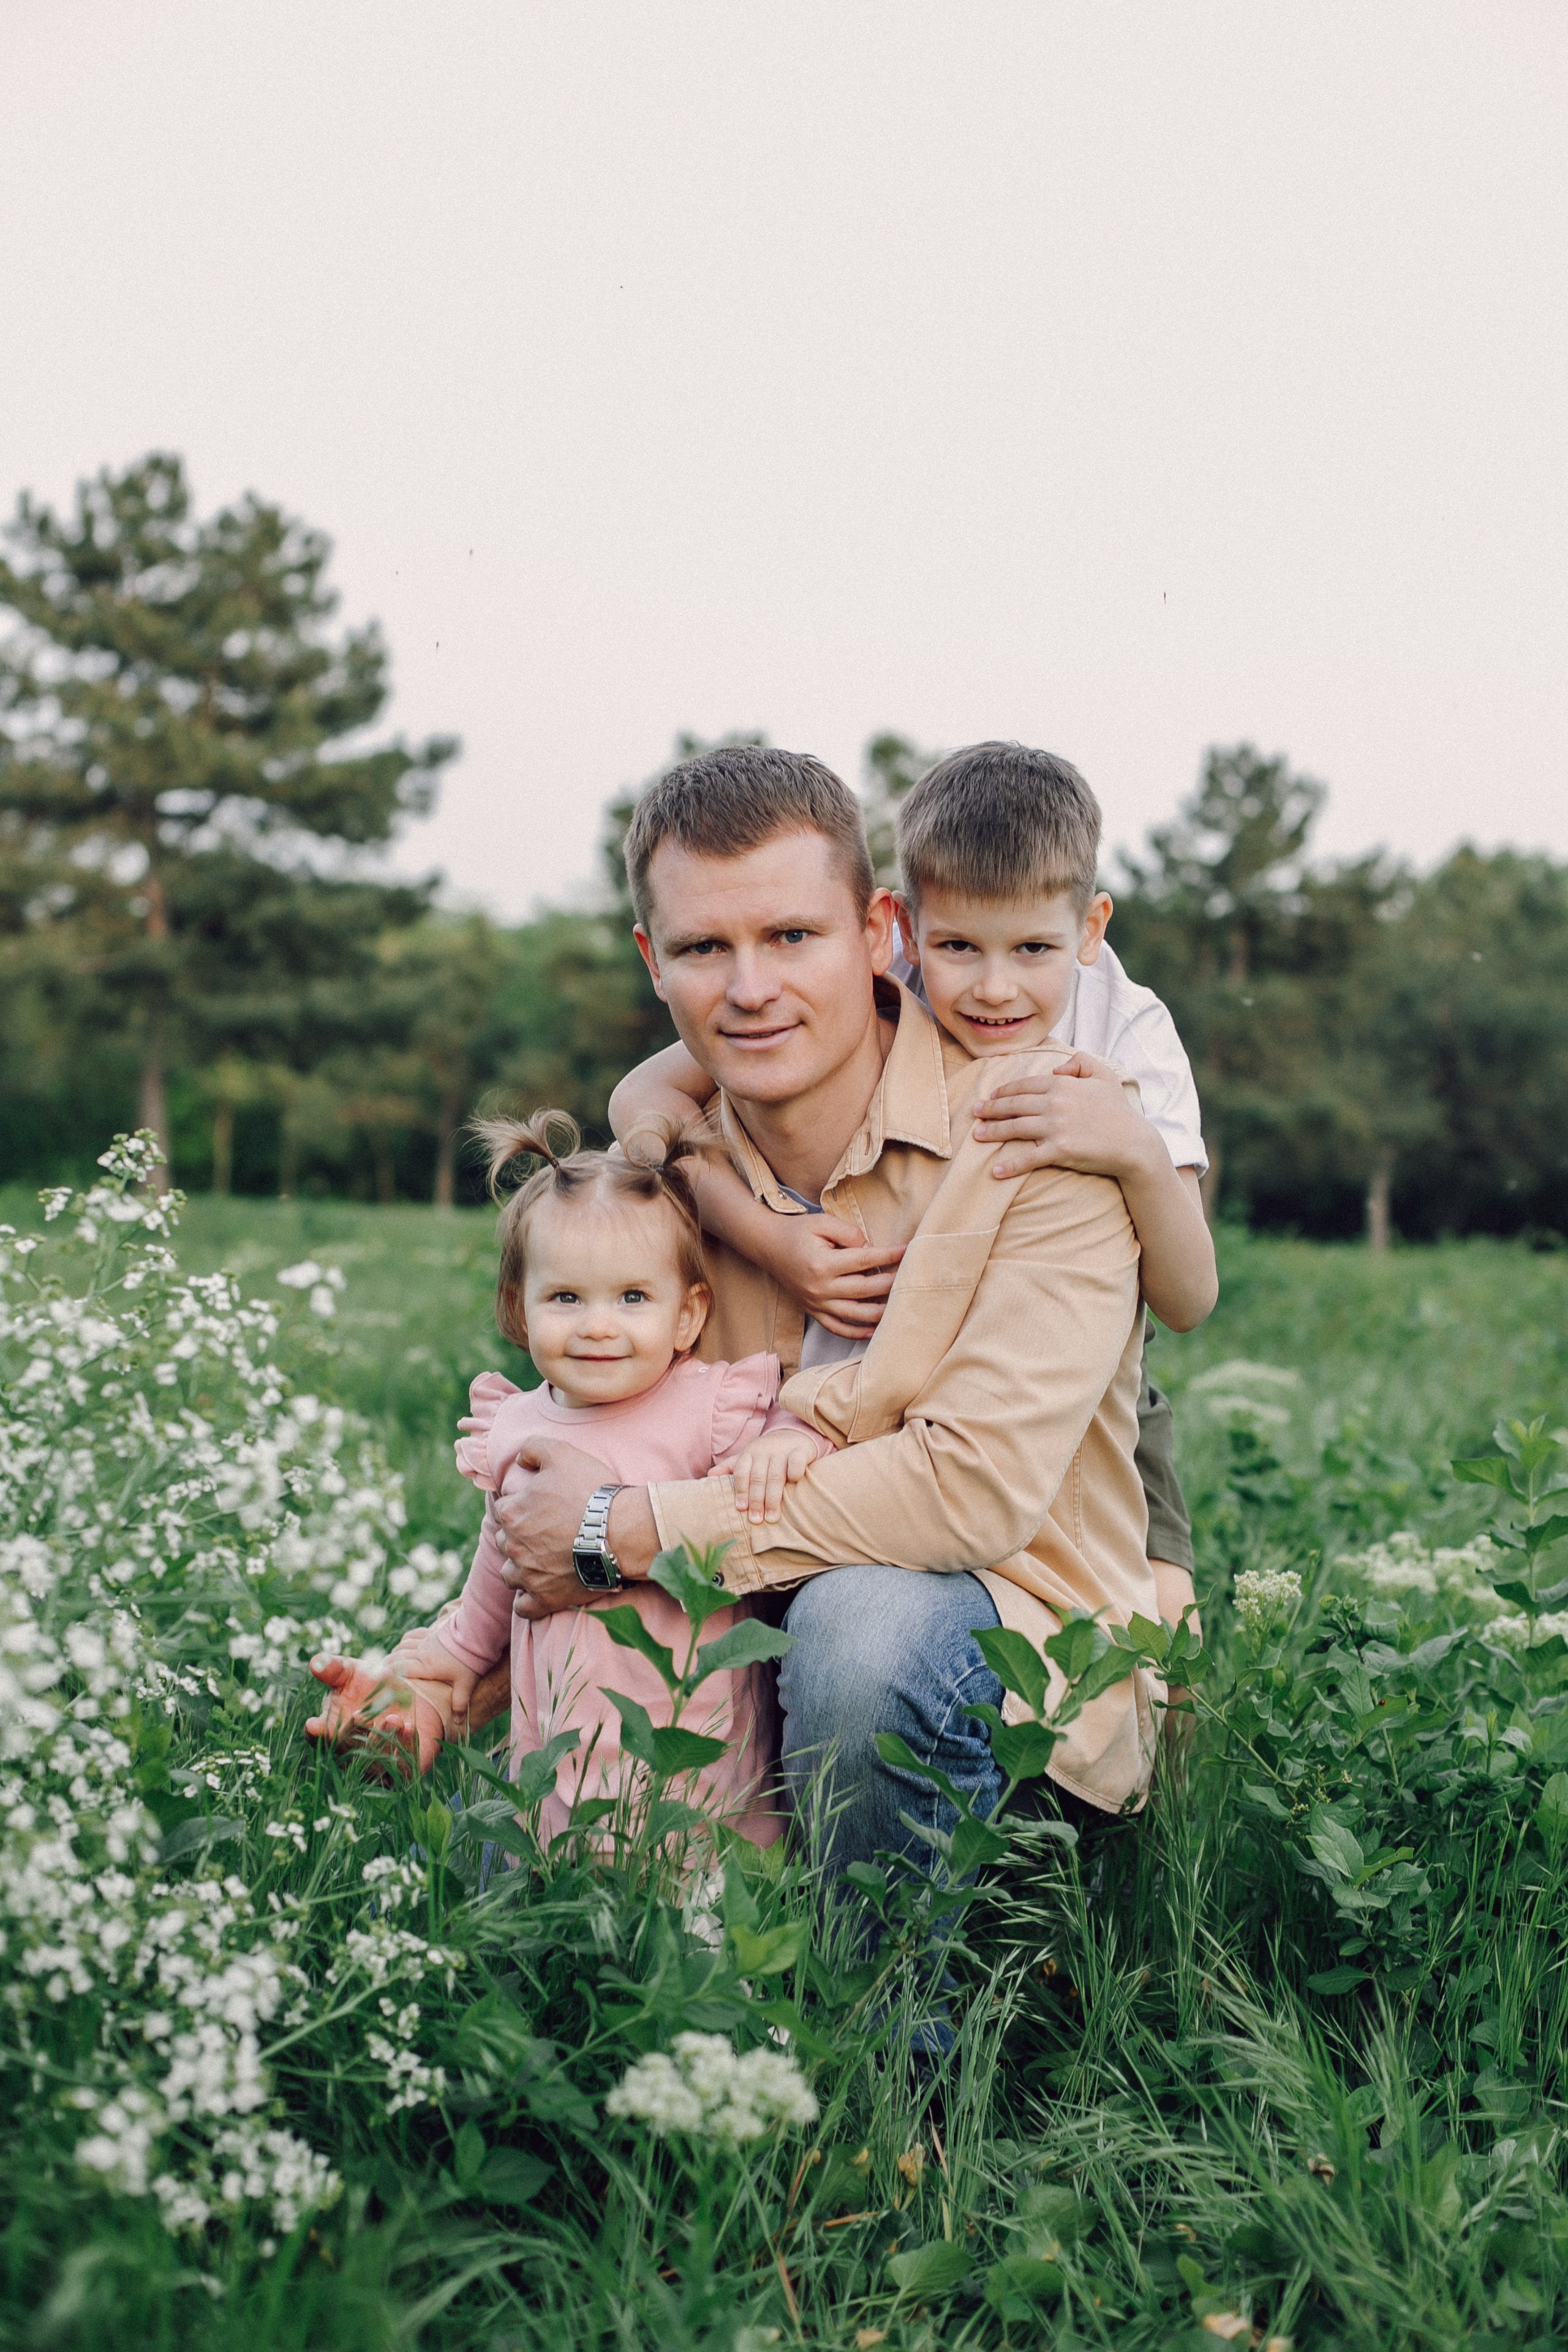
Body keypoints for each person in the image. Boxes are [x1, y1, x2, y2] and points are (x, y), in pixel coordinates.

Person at [314, 744, 1181, 1873]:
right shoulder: (660, 1198)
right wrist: (443, 1680)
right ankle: (669, 1917)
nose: (752, 989)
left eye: (792, 936)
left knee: (861, 1625)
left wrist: (622, 1532)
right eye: (702, 949)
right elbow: (597, 1473)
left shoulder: (1044, 1139)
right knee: (517, 1862)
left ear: (879, 932)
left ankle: (886, 1983)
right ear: (652, 962)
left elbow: (967, 1491)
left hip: (1009, 1701)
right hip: (732, 1701)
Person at [610, 742, 1215, 1692]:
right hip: (864, 1405)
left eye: (1032, 950)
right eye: (959, 949)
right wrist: (766, 1235)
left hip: (1086, 1344)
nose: (994, 987)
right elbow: (638, 1096)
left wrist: (1135, 1149)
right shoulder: (868, 994)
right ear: (910, 932)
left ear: (1088, 930)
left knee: (1157, 1586)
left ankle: (1178, 1738)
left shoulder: (1107, 1056)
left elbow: (1188, 1296)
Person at [305, 1110, 832, 1844]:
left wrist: (790, 1439)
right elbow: (503, 1565)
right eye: (566, 1298)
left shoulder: (712, 1408)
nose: (597, 1325)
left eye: (632, 1298)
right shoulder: (516, 1426)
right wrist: (442, 1663)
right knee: (560, 1860)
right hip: (560, 1746)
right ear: (518, 1310)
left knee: (695, 1872)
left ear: (687, 1317)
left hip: (696, 1751)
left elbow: (798, 1443)